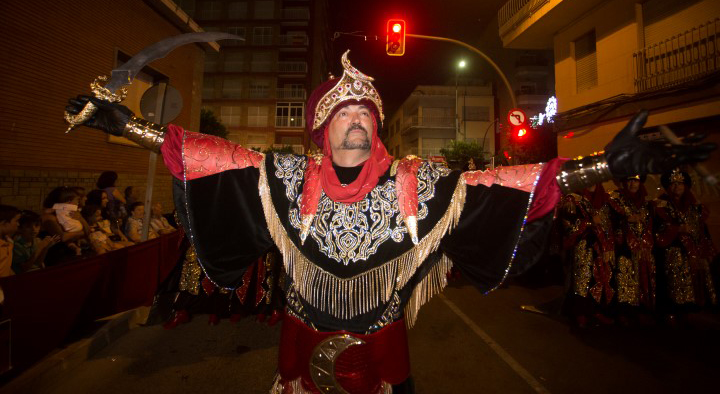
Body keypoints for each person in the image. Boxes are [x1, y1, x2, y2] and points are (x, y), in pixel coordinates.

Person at [67, 51, 715, 393]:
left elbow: (507, 185)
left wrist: (602, 165)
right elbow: (212, 158)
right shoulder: (283, 178)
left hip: (384, 362)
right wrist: (124, 125)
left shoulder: (418, 184)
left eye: (364, 116)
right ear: (321, 130)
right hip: (298, 362)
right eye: (341, 116)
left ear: (376, 128)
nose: (354, 123)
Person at [654, 168, 717, 324]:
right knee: (674, 279)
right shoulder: (661, 205)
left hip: (694, 249)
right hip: (672, 248)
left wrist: (708, 249)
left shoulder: (694, 206)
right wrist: (677, 229)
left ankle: (696, 309)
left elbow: (702, 228)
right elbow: (657, 228)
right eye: (673, 184)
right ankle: (675, 309)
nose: (677, 187)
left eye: (680, 184)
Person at [559, 183, 615, 327]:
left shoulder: (605, 201)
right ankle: (580, 312)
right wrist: (589, 223)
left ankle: (595, 310)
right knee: (582, 279)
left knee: (600, 279)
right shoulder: (574, 200)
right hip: (582, 246)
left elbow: (608, 225)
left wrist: (608, 246)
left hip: (600, 248)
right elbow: (568, 227)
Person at [608, 175, 656, 325]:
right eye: (629, 180)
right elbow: (609, 221)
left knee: (643, 277)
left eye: (635, 180)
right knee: (624, 277)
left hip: (644, 247)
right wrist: (626, 220)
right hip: (623, 246)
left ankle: (643, 309)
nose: (632, 184)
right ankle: (624, 311)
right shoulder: (615, 200)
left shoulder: (647, 204)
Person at [0, 205, 21, 278]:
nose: (18, 224)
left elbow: (6, 267)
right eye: (16, 221)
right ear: (3, 223)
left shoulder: (9, 241)